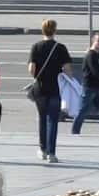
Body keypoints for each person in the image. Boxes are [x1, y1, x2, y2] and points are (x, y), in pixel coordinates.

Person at [27, 19, 72, 163]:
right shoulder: (60, 48)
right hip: (55, 89)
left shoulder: (36, 47)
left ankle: (43, 150)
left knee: (42, 119)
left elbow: (31, 69)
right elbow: (68, 70)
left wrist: (37, 75)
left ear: (42, 30)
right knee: (53, 120)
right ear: (55, 30)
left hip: (40, 89)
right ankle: (52, 153)